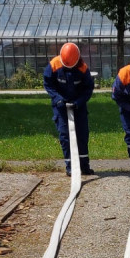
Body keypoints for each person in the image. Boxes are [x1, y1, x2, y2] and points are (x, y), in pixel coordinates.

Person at [42, 42, 95, 176]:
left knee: (82, 135)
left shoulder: (82, 68)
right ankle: (70, 166)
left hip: (79, 106)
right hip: (60, 106)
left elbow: (88, 88)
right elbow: (48, 84)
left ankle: (84, 166)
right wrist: (58, 99)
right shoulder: (54, 65)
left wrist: (78, 102)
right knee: (65, 135)